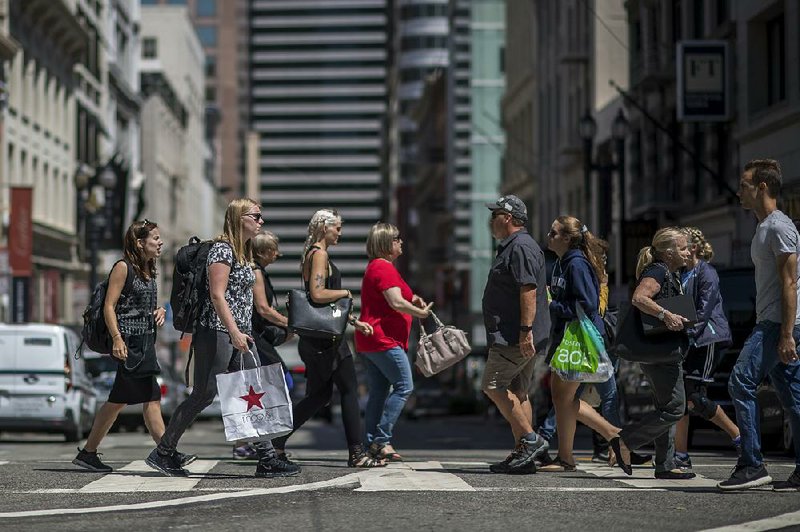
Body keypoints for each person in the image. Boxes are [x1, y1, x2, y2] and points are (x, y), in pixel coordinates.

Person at [146, 199, 299, 478]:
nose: (261, 221)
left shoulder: (242, 253)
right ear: (240, 218)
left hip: (238, 333)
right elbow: (218, 295)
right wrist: (234, 332)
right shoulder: (222, 250)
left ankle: (266, 458)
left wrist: (243, 331)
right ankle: (163, 452)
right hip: (217, 331)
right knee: (203, 395)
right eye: (256, 216)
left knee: (251, 394)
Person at [74, 220, 196, 472]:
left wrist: (159, 310)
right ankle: (166, 452)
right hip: (129, 344)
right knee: (151, 397)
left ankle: (88, 453)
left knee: (117, 402)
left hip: (145, 342)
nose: (160, 242)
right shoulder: (123, 267)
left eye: (160, 238)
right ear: (140, 242)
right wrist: (117, 339)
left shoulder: (149, 270)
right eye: (155, 238)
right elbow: (109, 306)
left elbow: (142, 306)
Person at [272, 209, 384, 468]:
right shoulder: (319, 254)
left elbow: (325, 310)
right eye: (338, 228)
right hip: (326, 341)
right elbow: (317, 294)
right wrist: (345, 291)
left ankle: (276, 441)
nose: (340, 233)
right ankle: (356, 453)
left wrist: (355, 322)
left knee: (319, 396)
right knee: (348, 390)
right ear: (324, 227)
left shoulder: (314, 253)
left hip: (323, 338)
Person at [720, 159, 800, 491]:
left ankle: (752, 464)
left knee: (740, 382)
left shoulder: (779, 228)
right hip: (776, 323)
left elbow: (790, 283)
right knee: (794, 399)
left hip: (777, 325)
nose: (739, 190)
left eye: (745, 184)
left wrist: (785, 334)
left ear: (762, 187)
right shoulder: (762, 228)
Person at [538, 216, 628, 472]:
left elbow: (587, 303)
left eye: (553, 233)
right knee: (562, 398)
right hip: (568, 336)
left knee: (565, 398)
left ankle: (613, 436)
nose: (548, 236)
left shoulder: (575, 263)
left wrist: (551, 304)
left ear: (567, 238)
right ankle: (566, 456)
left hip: (578, 338)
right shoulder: (564, 262)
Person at [616, 227, 695, 480]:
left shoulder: (670, 273)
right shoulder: (658, 270)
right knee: (674, 409)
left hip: (662, 352)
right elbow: (639, 298)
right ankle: (625, 441)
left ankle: (665, 463)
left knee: (665, 407)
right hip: (661, 353)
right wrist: (666, 315)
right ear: (667, 252)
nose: (688, 252)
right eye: (682, 248)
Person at [481, 195, 550, 474]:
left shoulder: (519, 247)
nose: (490, 220)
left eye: (494, 214)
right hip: (519, 334)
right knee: (519, 392)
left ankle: (530, 440)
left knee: (493, 386)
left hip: (514, 336)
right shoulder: (517, 246)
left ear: (507, 218)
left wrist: (524, 331)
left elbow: (528, 289)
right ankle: (524, 456)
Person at [356, 223, 433, 462]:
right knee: (404, 386)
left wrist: (415, 299)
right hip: (383, 339)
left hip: (374, 340)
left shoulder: (382, 268)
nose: (401, 242)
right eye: (397, 239)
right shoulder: (383, 267)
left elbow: (400, 297)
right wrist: (420, 313)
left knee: (379, 393)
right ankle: (381, 439)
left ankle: (372, 443)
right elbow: (395, 303)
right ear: (386, 243)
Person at [673, 227, 739, 472]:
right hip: (690, 340)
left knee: (695, 398)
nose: (675, 251)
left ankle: (739, 436)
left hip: (706, 339)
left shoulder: (706, 273)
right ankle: (680, 455)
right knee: (682, 398)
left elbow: (703, 312)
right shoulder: (681, 273)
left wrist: (686, 336)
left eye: (679, 246)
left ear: (693, 249)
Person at [232, 231, 294, 460]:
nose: (278, 253)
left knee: (262, 389)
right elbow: (263, 308)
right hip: (255, 337)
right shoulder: (255, 271)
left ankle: (249, 442)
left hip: (259, 337)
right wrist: (290, 323)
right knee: (274, 385)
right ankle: (254, 442)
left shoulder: (259, 271)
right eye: (274, 249)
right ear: (263, 251)